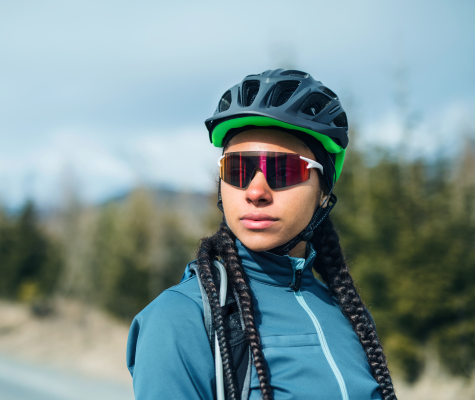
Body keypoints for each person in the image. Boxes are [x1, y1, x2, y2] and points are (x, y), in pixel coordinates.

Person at [126, 69, 397, 400]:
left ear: (323, 191)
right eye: (237, 170)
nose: (255, 191)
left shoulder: (348, 314)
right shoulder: (181, 317)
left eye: (283, 170)